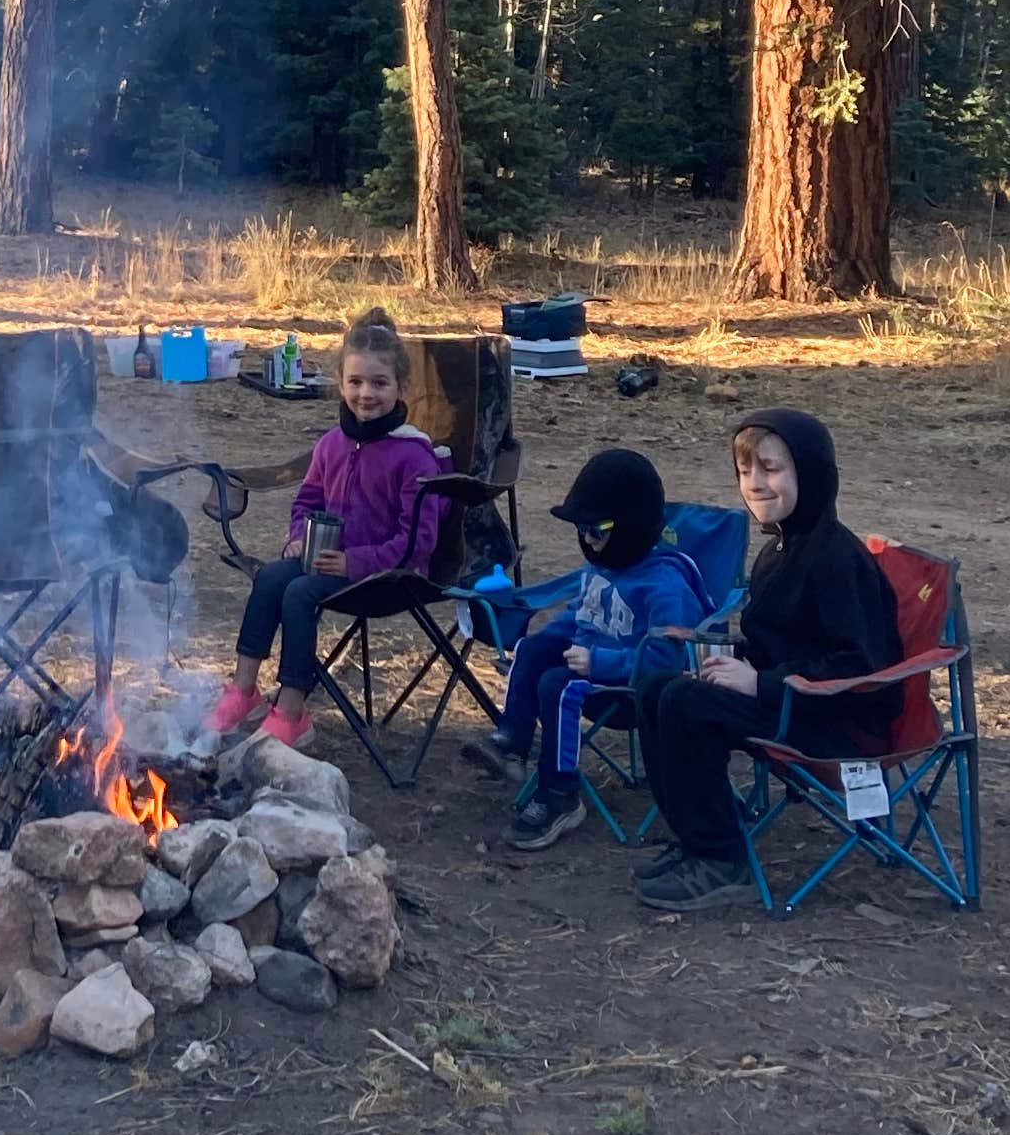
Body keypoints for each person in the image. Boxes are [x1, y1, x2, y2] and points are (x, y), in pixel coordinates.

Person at [634, 408, 904, 915]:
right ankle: (696, 837)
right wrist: (728, 666)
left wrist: (762, 683)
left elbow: (859, 665)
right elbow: (775, 640)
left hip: (839, 722)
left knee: (686, 703)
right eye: (745, 471)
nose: (755, 484)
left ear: (812, 473)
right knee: (657, 688)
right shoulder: (779, 548)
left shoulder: (836, 559)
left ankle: (721, 861)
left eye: (771, 469)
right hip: (791, 703)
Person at [207, 309, 442, 748]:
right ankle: (243, 690)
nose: (366, 394)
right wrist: (297, 537)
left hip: (390, 576)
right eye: (356, 382)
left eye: (379, 383)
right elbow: (307, 501)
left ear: (401, 387)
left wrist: (356, 561)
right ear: (340, 383)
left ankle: (292, 711)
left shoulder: (414, 456)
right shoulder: (332, 444)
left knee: (299, 592)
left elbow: (420, 542)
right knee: (272, 577)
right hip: (327, 563)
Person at [462, 446, 714, 854]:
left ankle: (560, 794)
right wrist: (546, 641)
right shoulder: (601, 567)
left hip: (631, 691)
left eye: (598, 530)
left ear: (631, 527)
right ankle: (511, 744)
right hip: (588, 666)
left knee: (556, 685)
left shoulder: (665, 586)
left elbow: (666, 661)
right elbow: (580, 617)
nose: (588, 540)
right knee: (536, 648)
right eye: (581, 530)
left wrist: (600, 662)